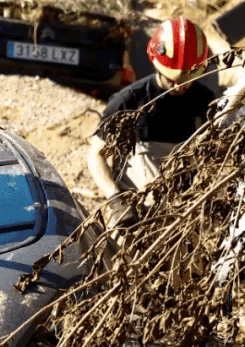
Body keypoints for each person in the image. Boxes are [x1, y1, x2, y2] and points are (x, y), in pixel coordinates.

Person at [87, 17, 216, 206]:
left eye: (188, 78)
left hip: (186, 210)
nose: (180, 86)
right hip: (136, 210)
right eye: (172, 79)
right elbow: (96, 155)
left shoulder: (205, 101)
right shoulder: (129, 100)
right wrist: (114, 198)